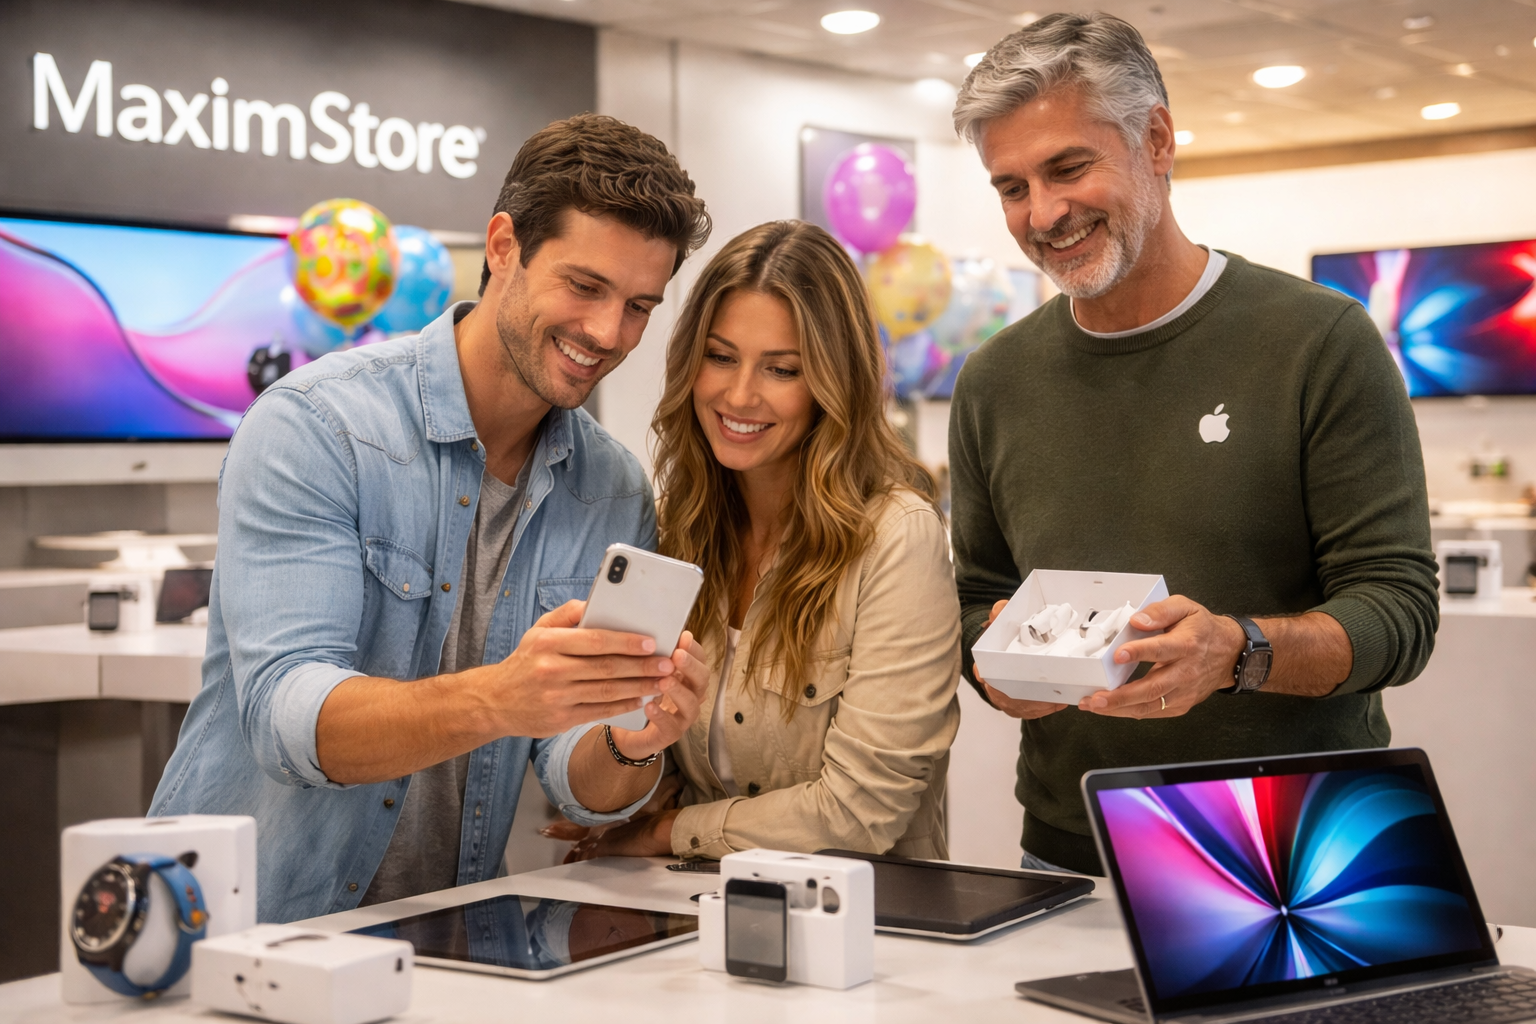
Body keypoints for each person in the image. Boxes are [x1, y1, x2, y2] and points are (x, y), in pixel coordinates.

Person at [150, 114, 715, 922]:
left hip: (443, 942)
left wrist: (633, 738)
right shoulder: (318, 426)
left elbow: (573, 777)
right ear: (503, 247)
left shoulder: (611, 487)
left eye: (638, 306)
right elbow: (286, 716)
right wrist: (502, 698)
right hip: (244, 931)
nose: (607, 333)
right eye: (585, 287)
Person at [948, 14, 1439, 875]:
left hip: (1298, 840)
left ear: (1157, 139)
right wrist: (996, 666)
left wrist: (1238, 653)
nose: (1044, 213)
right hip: (1073, 849)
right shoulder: (995, 380)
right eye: (1012, 187)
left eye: (1069, 168)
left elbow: (1398, 612)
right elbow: (978, 598)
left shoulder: (1319, 340)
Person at [564, 221, 961, 861]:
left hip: (865, 913)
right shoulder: (677, 530)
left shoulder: (896, 538)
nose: (740, 395)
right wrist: (629, 770)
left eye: (781, 369)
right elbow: (642, 759)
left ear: (835, 382)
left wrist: (665, 833)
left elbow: (861, 811)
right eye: (720, 357)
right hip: (695, 906)